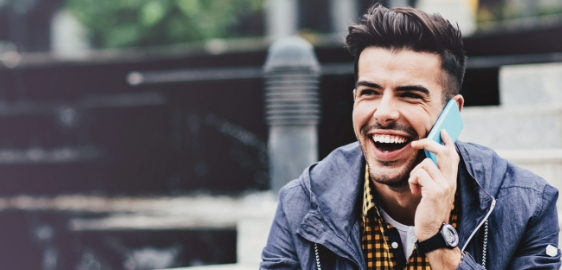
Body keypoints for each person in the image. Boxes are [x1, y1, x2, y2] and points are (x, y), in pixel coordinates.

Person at [260, 4, 561, 270]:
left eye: (409, 95)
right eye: (370, 92)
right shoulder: (302, 203)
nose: (384, 113)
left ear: (451, 112)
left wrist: (439, 244)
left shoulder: (527, 207)